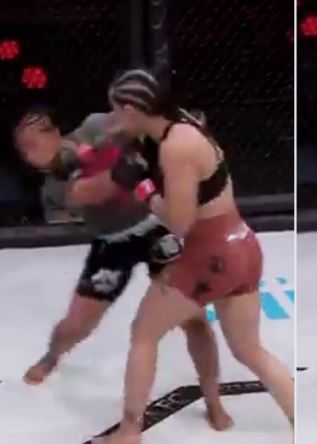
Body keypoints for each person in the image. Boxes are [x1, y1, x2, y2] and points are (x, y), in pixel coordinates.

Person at [92, 68, 294, 444]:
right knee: (245, 347)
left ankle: (130, 432)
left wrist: (143, 190)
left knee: (144, 334)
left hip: (210, 254)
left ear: (132, 109)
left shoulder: (176, 146)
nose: (115, 119)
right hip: (241, 244)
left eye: (117, 111)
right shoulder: (181, 122)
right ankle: (286, 420)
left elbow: (180, 221)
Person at [13, 107, 232, 431]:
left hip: (154, 226)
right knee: (77, 324)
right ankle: (53, 355)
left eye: (34, 142)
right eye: (25, 151)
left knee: (193, 316)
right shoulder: (53, 188)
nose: (32, 154)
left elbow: (137, 123)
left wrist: (170, 133)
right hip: (112, 243)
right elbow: (95, 190)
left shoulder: (94, 125)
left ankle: (213, 399)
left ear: (55, 133)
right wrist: (115, 164)